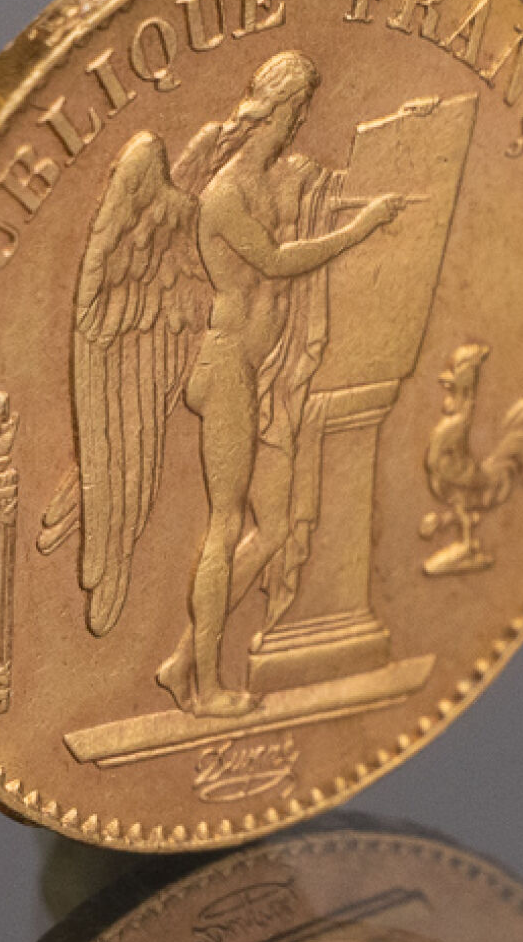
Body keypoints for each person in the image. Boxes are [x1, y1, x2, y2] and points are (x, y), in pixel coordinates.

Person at [155, 52, 410, 716]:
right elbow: (274, 261)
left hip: (264, 372)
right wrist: (359, 229)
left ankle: (182, 660)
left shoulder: (270, 180)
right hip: (227, 368)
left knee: (272, 528)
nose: (300, 124)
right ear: (277, 110)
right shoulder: (224, 194)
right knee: (224, 523)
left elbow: (313, 192)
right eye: (297, 111)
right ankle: (207, 686)